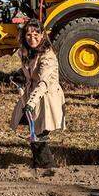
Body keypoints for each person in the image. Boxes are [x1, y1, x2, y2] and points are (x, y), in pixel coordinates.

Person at [10, 20, 66, 168]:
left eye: (36, 34)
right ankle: (38, 166)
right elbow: (30, 70)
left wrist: (31, 103)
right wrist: (19, 75)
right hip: (31, 96)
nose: (32, 38)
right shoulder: (26, 52)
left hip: (46, 99)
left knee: (39, 136)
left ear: (42, 35)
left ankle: (49, 168)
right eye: (28, 34)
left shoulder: (48, 55)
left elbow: (44, 83)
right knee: (33, 134)